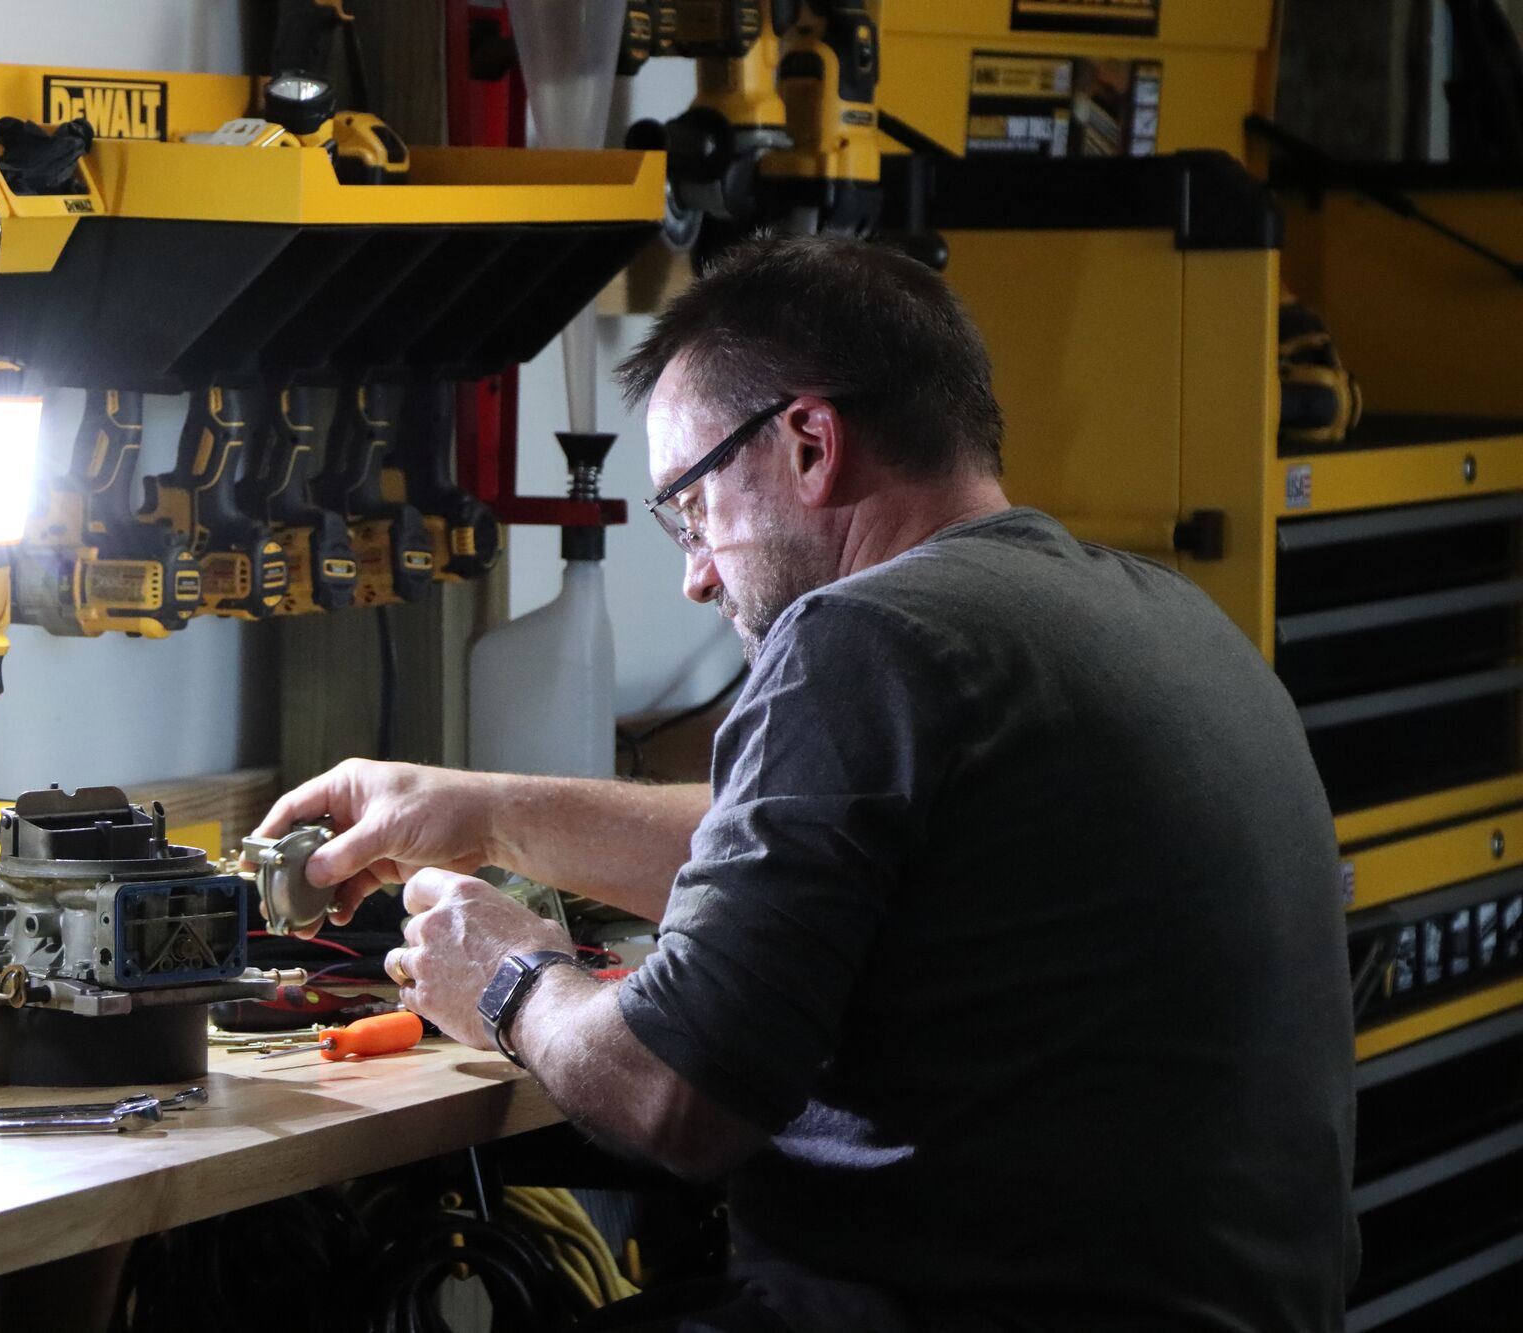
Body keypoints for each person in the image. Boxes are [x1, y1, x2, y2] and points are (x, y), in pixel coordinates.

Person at [255, 234, 1357, 1332]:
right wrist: (486, 810)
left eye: (689, 510)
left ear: (808, 445)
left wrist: (503, 979)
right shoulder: (1150, 612)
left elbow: (671, 1098)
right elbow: (833, 847)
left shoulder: (863, 634)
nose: (693, 574)